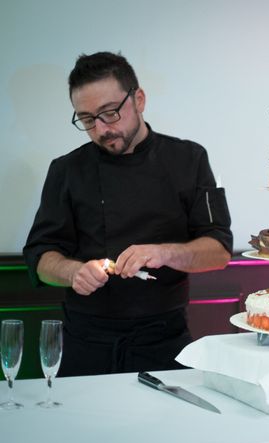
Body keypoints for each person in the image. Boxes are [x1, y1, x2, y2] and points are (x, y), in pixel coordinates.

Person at [23, 52, 233, 376]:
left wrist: (165, 253)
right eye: (88, 119)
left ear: (138, 99)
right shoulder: (66, 170)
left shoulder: (188, 159)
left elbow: (218, 251)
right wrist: (72, 272)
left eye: (109, 113)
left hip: (165, 342)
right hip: (84, 343)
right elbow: (40, 257)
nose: (102, 129)